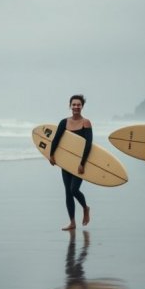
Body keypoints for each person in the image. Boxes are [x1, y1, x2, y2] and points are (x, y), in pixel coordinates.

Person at [49, 94, 93, 231]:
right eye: (73, 104)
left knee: (74, 189)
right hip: (66, 162)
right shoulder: (64, 122)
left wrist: (82, 163)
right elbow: (56, 139)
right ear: (70, 106)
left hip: (80, 162)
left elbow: (88, 144)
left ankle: (85, 208)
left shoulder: (86, 123)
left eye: (78, 104)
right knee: (68, 192)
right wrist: (51, 154)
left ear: (82, 106)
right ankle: (72, 222)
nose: (76, 107)